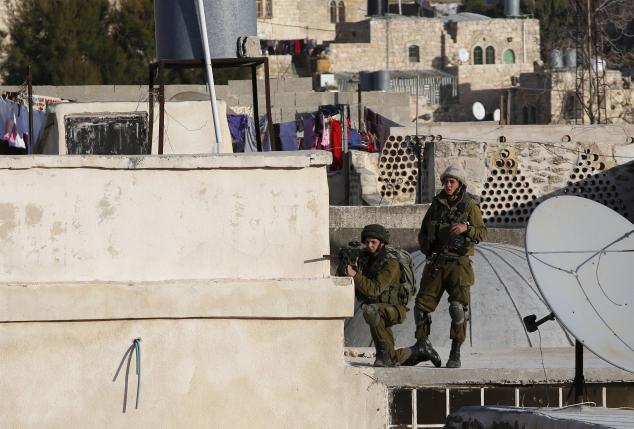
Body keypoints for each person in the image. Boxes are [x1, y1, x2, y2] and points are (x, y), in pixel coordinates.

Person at [402, 165, 487, 368]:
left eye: (452, 182)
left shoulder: (469, 206)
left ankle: (455, 352)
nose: (448, 185)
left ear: (459, 185)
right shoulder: (437, 204)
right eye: (446, 181)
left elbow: (482, 233)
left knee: (458, 308)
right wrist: (428, 250)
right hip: (437, 262)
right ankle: (423, 345)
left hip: (459, 263)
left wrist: (467, 228)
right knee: (421, 306)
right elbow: (423, 232)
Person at [344, 224, 413, 367]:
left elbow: (374, 289)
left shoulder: (391, 262)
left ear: (381, 243)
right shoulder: (366, 258)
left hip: (395, 309)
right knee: (372, 311)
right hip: (378, 307)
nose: (369, 245)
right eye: (367, 242)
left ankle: (383, 356)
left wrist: (354, 274)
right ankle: (417, 351)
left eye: (373, 242)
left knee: (370, 310)